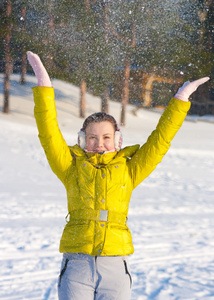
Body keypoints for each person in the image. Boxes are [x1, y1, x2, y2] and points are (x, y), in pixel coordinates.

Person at [27, 51, 209, 300]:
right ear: (82, 140)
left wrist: (180, 99)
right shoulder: (70, 168)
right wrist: (44, 88)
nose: (98, 143)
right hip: (76, 266)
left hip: (115, 268)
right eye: (91, 137)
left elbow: (160, 140)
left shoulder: (129, 170)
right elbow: (48, 132)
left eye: (105, 137)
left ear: (117, 141)